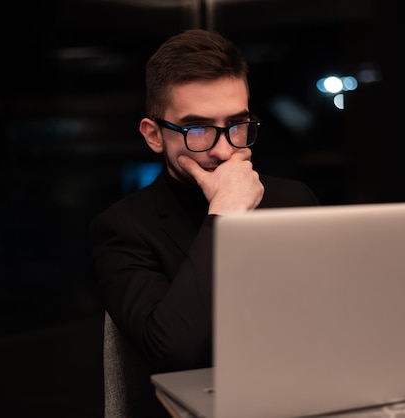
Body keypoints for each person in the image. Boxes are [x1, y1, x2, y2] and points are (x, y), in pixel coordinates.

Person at [89, 29, 319, 416]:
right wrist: (225, 214)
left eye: (238, 124)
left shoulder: (294, 200)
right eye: (197, 129)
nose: (225, 148)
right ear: (154, 136)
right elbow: (174, 352)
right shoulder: (122, 229)